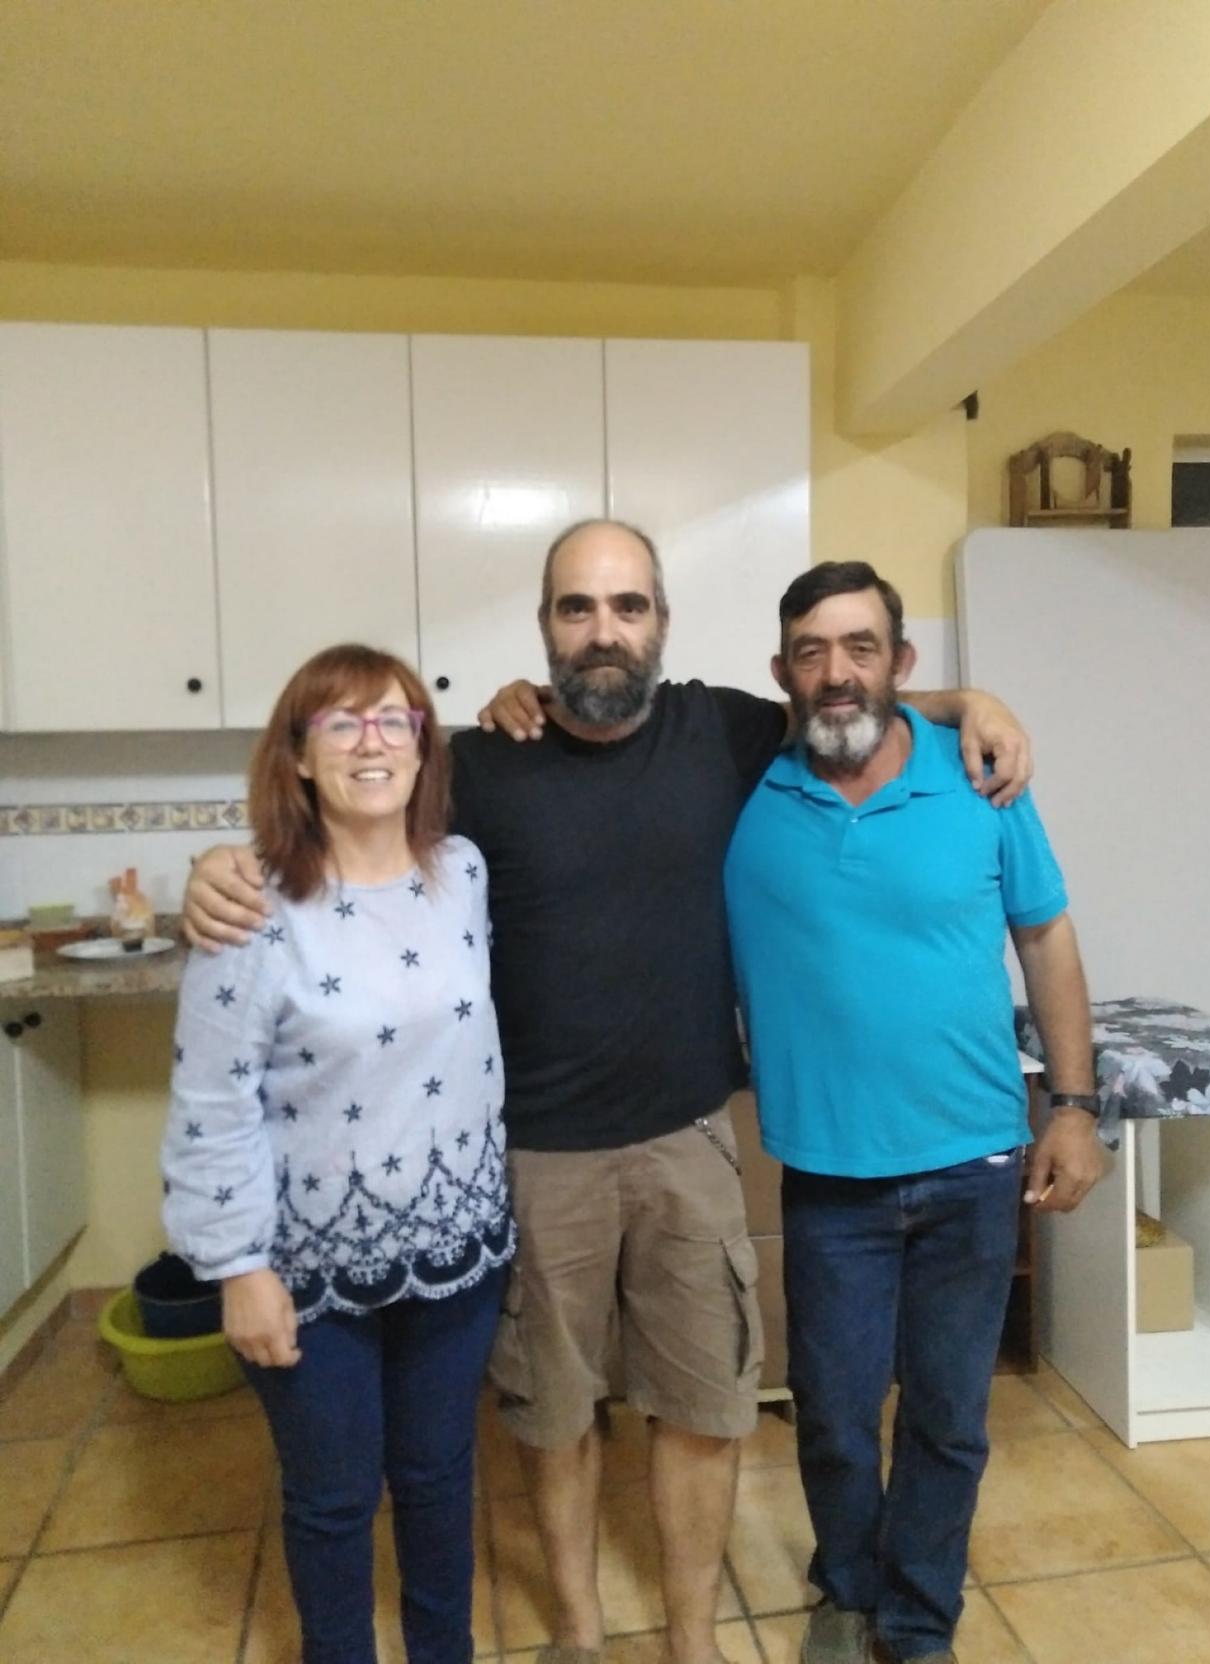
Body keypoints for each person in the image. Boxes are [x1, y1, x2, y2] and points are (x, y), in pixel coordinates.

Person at [182, 521, 1032, 1664]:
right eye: (577, 607)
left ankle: (690, 1639)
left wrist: (973, 699)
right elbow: (351, 827)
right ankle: (579, 1635)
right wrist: (222, 863)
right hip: (536, 1155)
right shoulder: (480, 765)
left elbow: (851, 698)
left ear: (662, 621)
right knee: (553, 1412)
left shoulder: (723, 730)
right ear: (544, 625)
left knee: (704, 1405)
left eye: (627, 605)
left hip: (690, 1137)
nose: (603, 629)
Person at [723, 561, 1103, 1664]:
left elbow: (1048, 939)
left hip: (974, 1163)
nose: (837, 672)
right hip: (828, 1175)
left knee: (947, 1416)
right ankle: (847, 1591)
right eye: (812, 651)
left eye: (862, 647)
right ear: (782, 671)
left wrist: (1074, 1106)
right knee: (835, 1413)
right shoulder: (743, 787)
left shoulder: (980, 779)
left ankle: (918, 1617)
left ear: (902, 660)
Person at [162, 644, 513, 1664]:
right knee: (333, 1499)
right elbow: (210, 1103)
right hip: (309, 1271)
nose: (373, 742)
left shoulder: (463, 874)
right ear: (299, 756)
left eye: (395, 718)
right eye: (341, 722)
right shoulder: (253, 911)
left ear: (423, 746)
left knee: (440, 1479)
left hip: (459, 1250)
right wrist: (238, 1267)